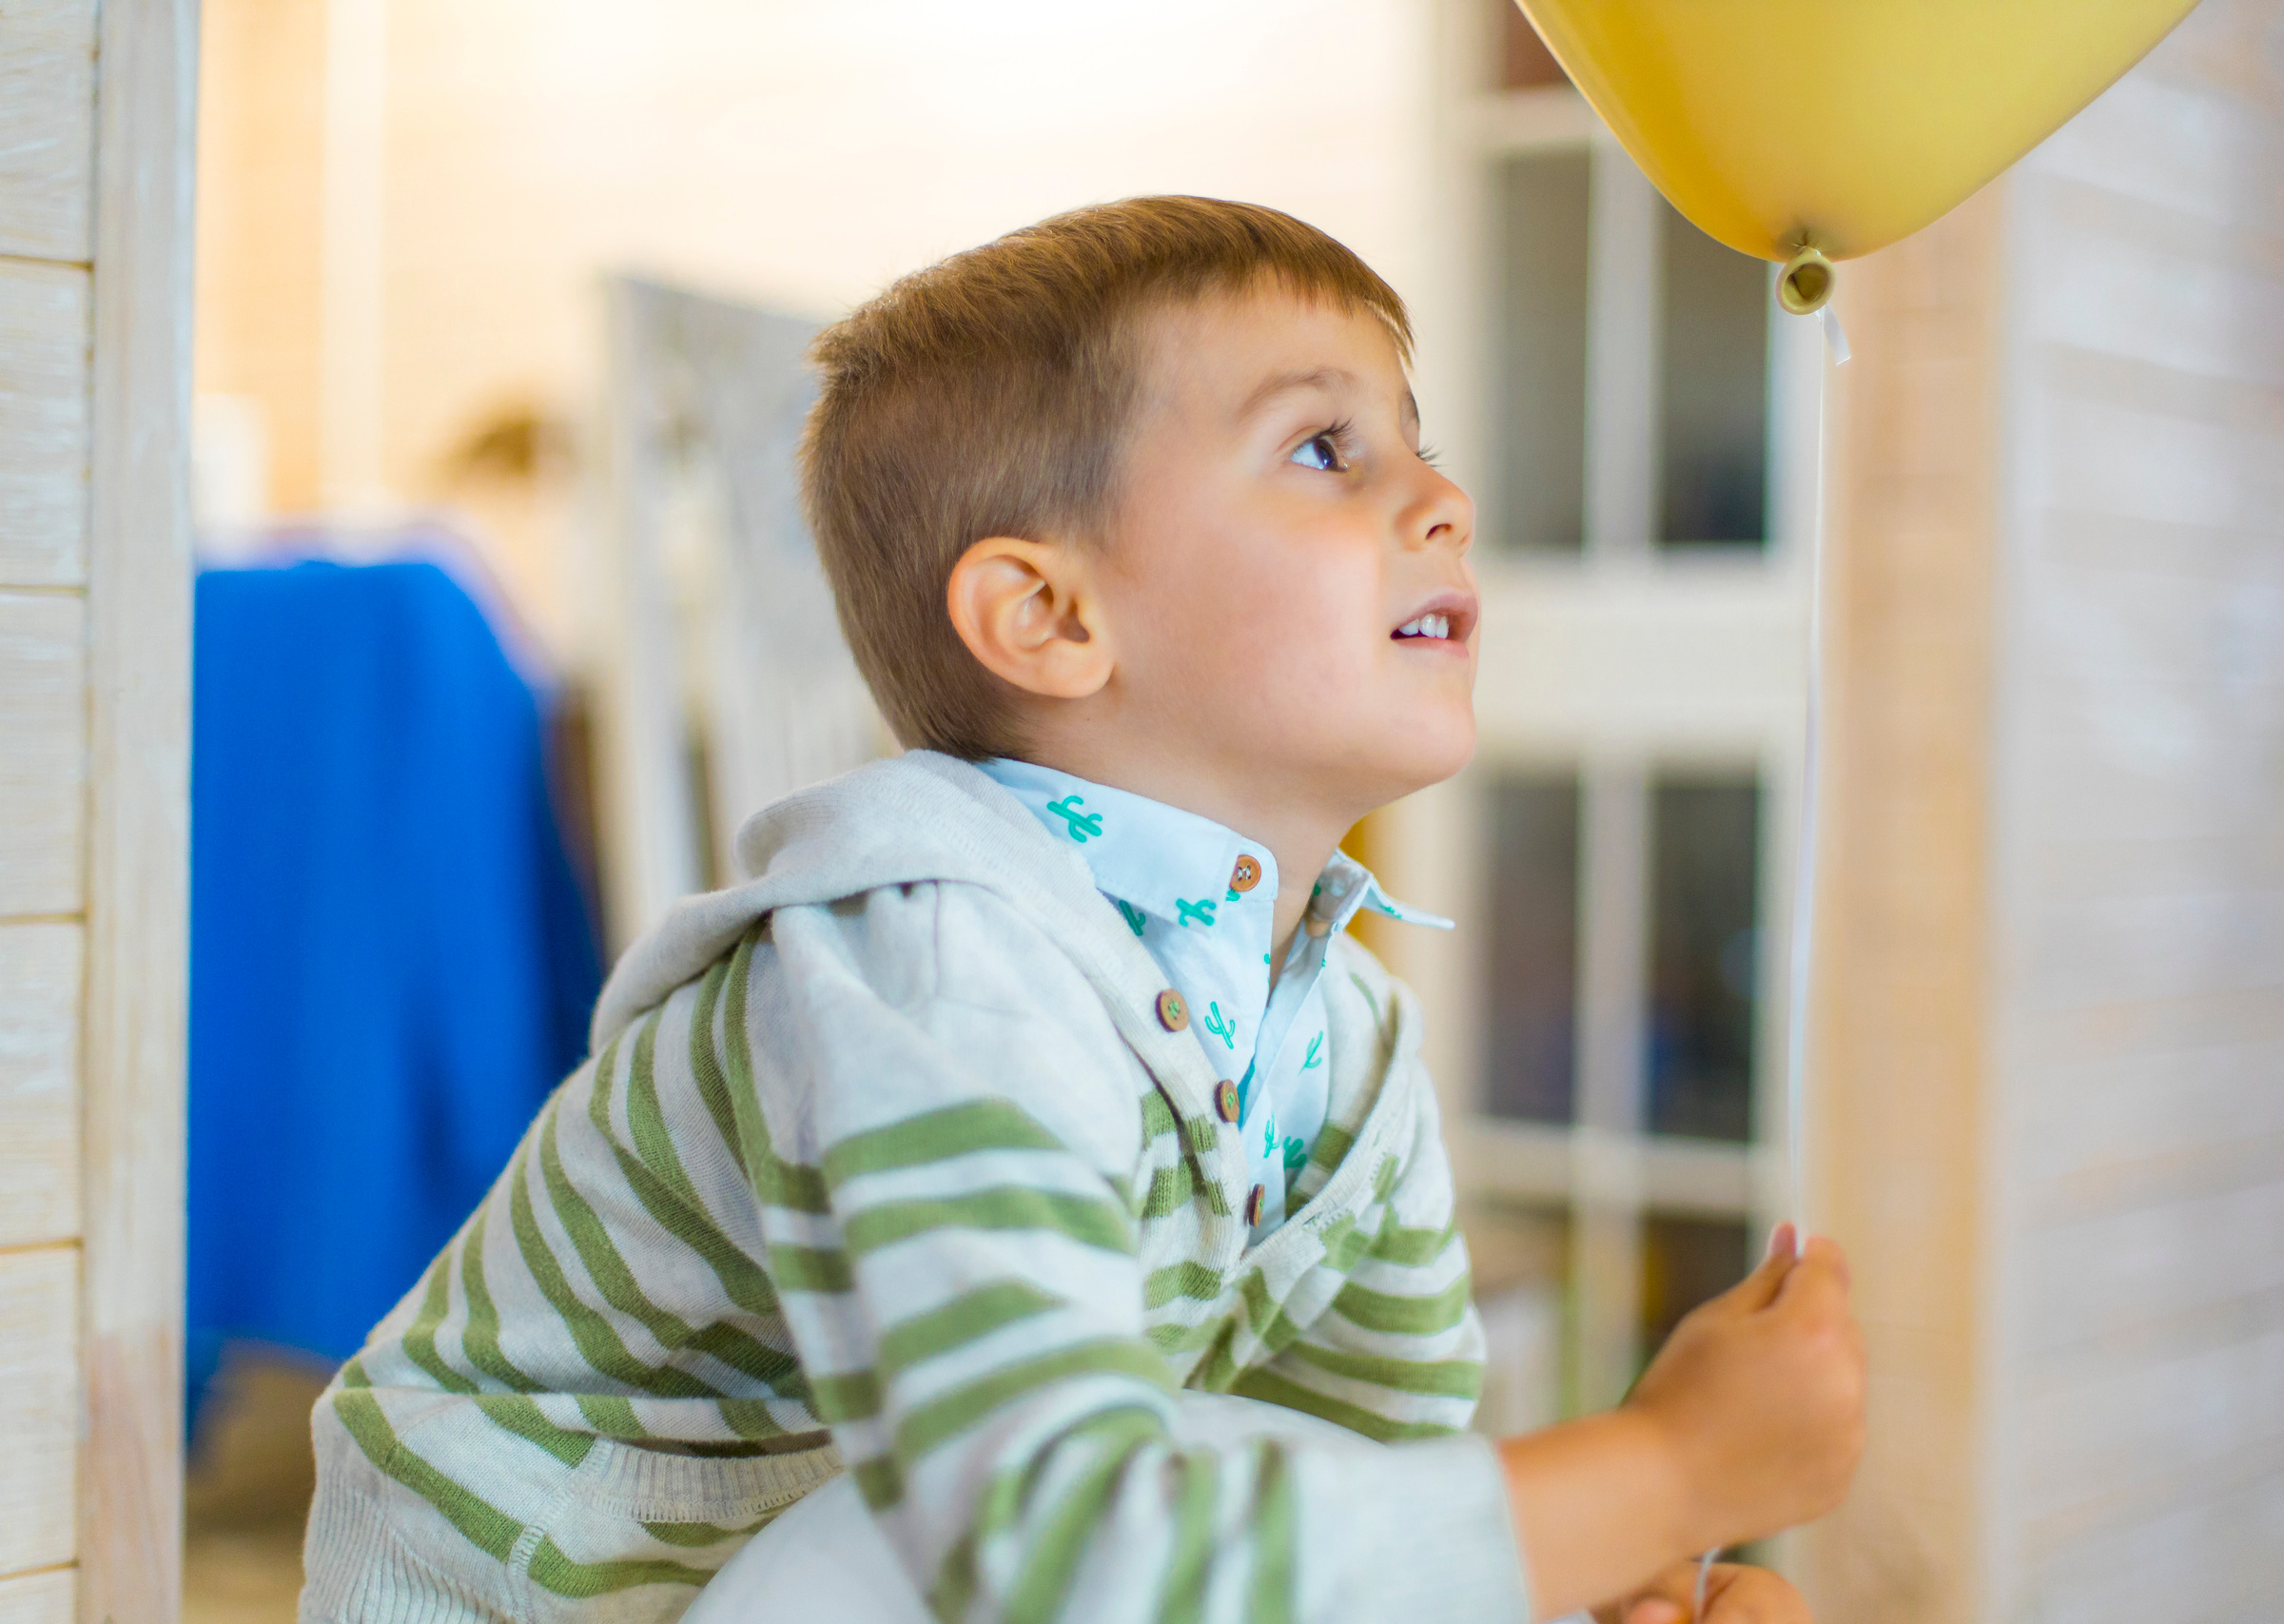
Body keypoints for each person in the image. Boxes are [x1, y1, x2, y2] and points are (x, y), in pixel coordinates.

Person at [300, 196, 1865, 1624]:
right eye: (1327, 450)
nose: (1444, 498)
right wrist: (1661, 1471)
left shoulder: (1346, 1048)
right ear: (1051, 615)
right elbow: (1052, 1554)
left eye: (1418, 441)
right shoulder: (942, 958)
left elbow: (1371, 1517)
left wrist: (1616, 1586)